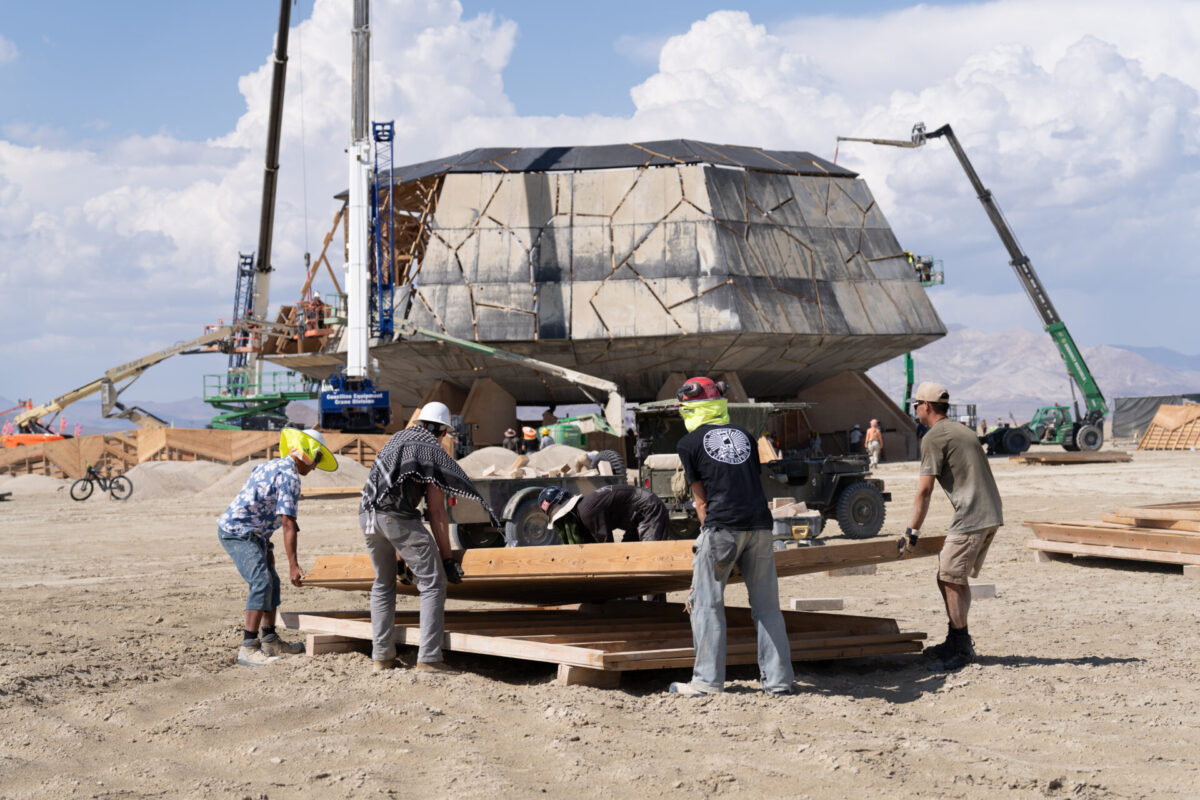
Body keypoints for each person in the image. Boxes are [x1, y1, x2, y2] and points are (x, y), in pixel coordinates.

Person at [669, 376, 795, 696]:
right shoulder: (747, 437)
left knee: (707, 605)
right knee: (767, 608)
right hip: (762, 528)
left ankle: (707, 682)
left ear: (690, 407)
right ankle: (779, 682)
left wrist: (707, 538)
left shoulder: (689, 444)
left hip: (722, 529)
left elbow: (701, 501)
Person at [359, 402, 496, 673]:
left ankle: (381, 657)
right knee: (433, 584)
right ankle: (430, 659)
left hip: (367, 517)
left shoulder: (396, 439)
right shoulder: (433, 451)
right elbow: (436, 512)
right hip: (395, 519)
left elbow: (389, 489)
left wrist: (401, 557)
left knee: (383, 585)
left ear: (421, 423)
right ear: (442, 431)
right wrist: (446, 559)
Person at [901, 382, 1004, 672]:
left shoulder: (934, 437)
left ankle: (961, 647)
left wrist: (912, 531)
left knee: (950, 576)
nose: (915, 409)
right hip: (987, 510)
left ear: (927, 406)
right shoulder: (961, 429)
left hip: (973, 513)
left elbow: (924, 490)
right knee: (949, 576)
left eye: (916, 404)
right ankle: (955, 638)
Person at [218, 427, 337, 667]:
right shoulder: (290, 477)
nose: (314, 468)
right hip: (238, 533)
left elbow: (261, 507)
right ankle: (248, 647)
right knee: (261, 582)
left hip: (255, 533)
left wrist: (269, 547)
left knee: (271, 581)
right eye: (315, 461)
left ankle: (270, 640)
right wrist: (294, 565)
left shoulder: (271, 465)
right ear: (307, 454)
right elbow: (288, 523)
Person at [539, 484, 669, 545]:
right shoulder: (583, 509)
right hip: (636, 516)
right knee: (628, 560)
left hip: (649, 510)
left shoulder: (587, 513)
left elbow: (606, 548)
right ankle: (631, 600)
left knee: (651, 561)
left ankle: (655, 600)